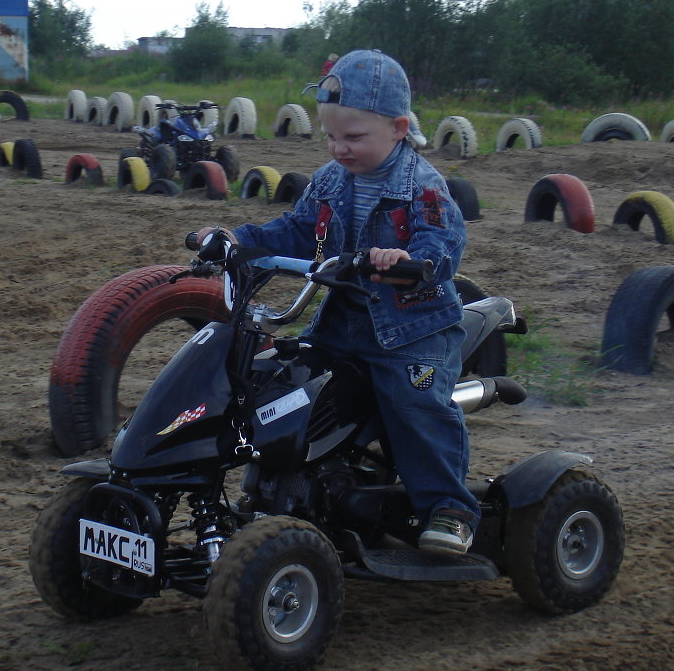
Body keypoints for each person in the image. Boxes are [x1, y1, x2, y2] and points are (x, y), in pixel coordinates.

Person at [195, 49, 478, 554]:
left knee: (415, 405)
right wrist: (237, 239)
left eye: (352, 137)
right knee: (281, 385)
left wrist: (408, 259)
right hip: (343, 323)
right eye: (329, 137)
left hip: (413, 333)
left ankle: (449, 509)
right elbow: (297, 231)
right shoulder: (329, 181)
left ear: (398, 128)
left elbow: (443, 245)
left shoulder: (424, 188)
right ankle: (291, 492)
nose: (338, 148)